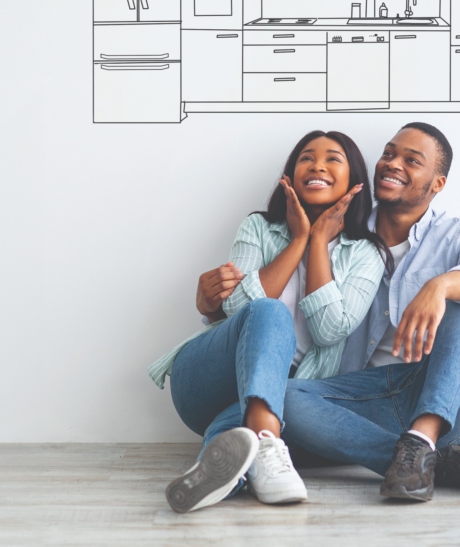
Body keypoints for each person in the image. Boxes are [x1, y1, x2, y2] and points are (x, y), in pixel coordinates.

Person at [194, 122, 460, 502]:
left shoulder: (455, 234)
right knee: (283, 396)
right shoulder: (348, 233)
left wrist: (438, 286)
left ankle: (423, 438)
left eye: (412, 160)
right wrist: (215, 312)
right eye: (389, 154)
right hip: (360, 400)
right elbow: (284, 315)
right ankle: (431, 463)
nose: (393, 164)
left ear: (437, 183)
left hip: (446, 399)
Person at [148, 130, 390, 513]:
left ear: (354, 182)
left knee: (242, 421)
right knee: (269, 310)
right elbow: (235, 309)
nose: (318, 165)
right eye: (307, 158)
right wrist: (299, 241)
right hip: (206, 378)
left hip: (280, 395)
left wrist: (318, 246)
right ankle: (268, 442)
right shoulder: (258, 228)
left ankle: (227, 474)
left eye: (333, 159)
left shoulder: (368, 253)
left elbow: (330, 329)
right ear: (290, 176)